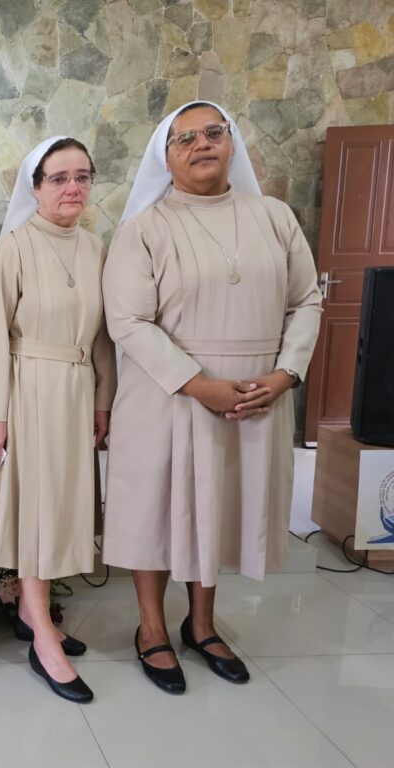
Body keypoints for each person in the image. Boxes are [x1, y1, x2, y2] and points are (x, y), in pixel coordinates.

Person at [102, 101, 323, 694]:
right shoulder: (144, 229)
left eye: (212, 133)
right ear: (165, 157)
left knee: (217, 508)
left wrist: (285, 374)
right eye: (185, 138)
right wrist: (201, 385)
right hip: (168, 395)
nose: (201, 144)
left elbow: (306, 301)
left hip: (254, 398)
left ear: (231, 143)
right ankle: (151, 628)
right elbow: (128, 321)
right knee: (156, 512)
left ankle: (202, 624)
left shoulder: (273, 217)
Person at [0, 136, 116, 703]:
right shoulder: (15, 247)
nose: (72, 188)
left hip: (78, 390)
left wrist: (103, 398)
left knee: (61, 505)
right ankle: (42, 639)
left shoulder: (95, 247)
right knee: (36, 509)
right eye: (59, 178)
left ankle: (32, 615)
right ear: (35, 187)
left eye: (82, 177)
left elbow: (103, 334)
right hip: (28, 388)